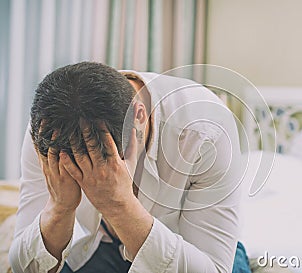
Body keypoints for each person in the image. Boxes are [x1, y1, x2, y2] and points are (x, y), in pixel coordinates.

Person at [9, 62, 248, 272]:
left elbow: (213, 268)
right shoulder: (49, 130)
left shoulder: (206, 132)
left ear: (139, 116)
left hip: (187, 244)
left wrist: (119, 205)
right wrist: (60, 208)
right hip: (102, 245)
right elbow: (24, 266)